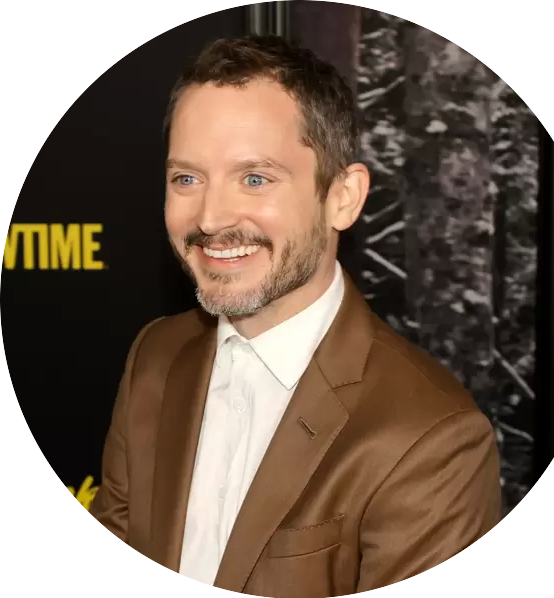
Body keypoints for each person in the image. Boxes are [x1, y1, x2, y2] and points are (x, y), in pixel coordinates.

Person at [89, 35, 502, 595]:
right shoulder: (156, 356)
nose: (210, 218)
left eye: (255, 178)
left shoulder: (432, 438)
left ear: (343, 197)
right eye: (187, 178)